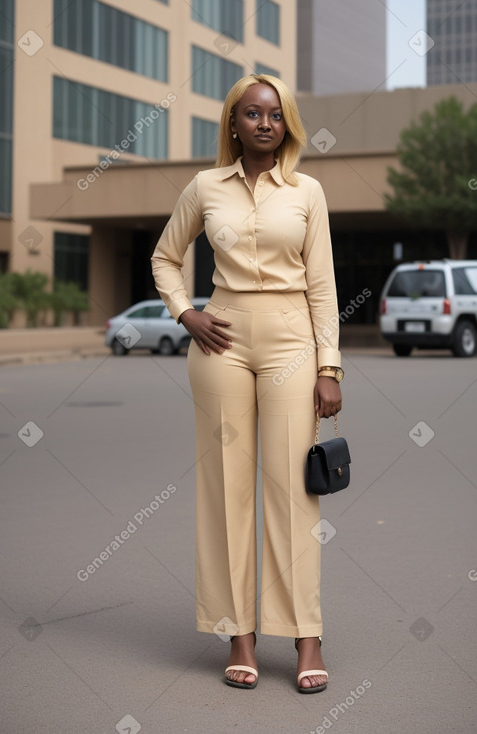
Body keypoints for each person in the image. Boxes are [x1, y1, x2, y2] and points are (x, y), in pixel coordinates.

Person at [151, 74, 343, 693]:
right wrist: (186, 312)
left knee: (293, 494)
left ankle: (306, 636)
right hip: (222, 339)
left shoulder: (307, 191)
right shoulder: (205, 186)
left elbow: (322, 285)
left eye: (276, 114)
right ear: (233, 122)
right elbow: (165, 255)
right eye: (252, 113)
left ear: (286, 124)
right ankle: (240, 633)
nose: (265, 123)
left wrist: (329, 366)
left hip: (292, 337)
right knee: (226, 488)